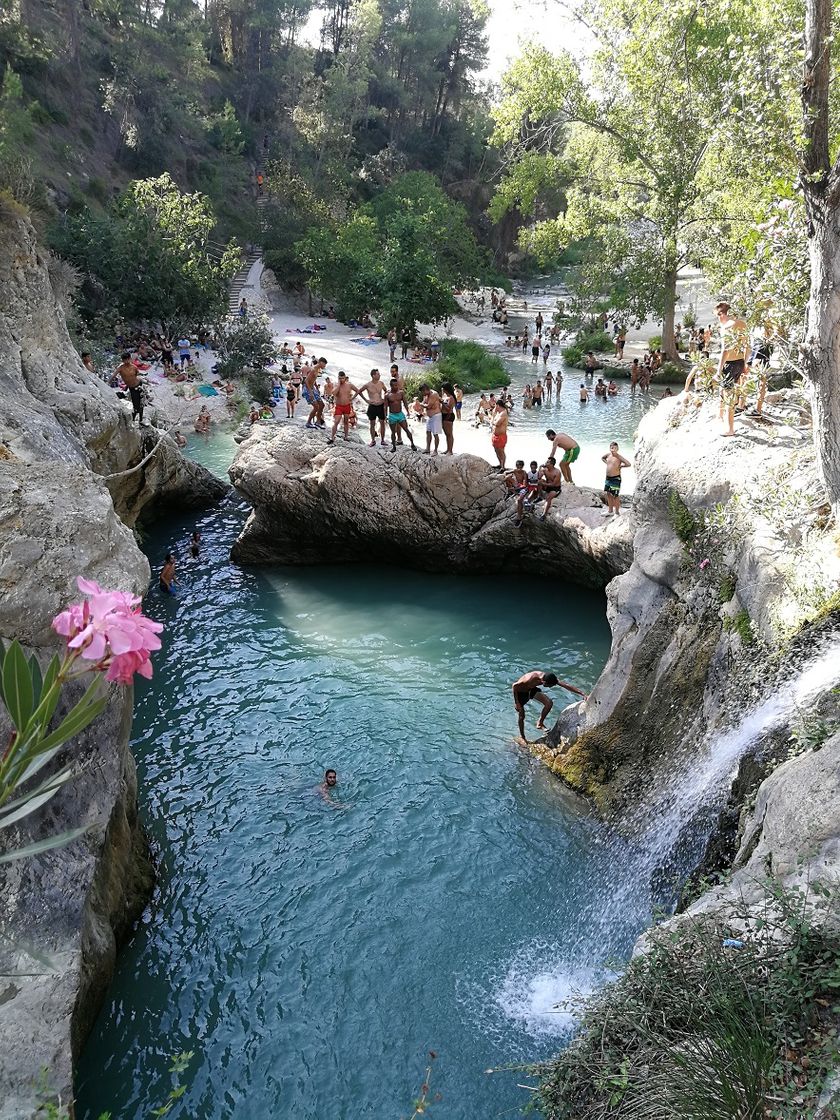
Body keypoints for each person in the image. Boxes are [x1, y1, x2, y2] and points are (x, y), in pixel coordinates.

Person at [511, 670, 588, 741]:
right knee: (522, 716)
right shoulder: (529, 679)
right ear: (543, 682)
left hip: (531, 690)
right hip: (521, 693)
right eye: (549, 685)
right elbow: (514, 686)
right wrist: (516, 703)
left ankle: (540, 723)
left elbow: (566, 685)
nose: (550, 687)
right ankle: (523, 737)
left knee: (549, 703)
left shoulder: (550, 678)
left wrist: (582, 693)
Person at [715, 300, 750, 436]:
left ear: (721, 314)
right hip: (740, 361)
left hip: (729, 364)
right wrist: (745, 363)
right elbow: (748, 346)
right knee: (726, 390)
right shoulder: (742, 323)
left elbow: (725, 349)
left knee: (728, 394)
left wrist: (719, 370)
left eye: (718, 316)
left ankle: (730, 429)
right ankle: (720, 415)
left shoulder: (727, 327)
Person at [327, 371, 360, 442]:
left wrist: (353, 397)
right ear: (338, 378)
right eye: (340, 378)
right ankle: (332, 437)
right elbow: (333, 393)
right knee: (336, 421)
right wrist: (339, 385)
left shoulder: (349, 385)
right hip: (339, 406)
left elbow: (358, 390)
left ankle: (346, 436)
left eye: (342, 378)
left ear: (345, 378)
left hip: (347, 406)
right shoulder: (336, 385)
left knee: (346, 421)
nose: (341, 380)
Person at [602, 441, 632, 516]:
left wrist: (621, 466)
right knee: (608, 493)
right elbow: (602, 458)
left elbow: (628, 464)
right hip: (608, 478)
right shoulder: (608, 455)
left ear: (617, 449)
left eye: (615, 448)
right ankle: (610, 511)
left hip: (615, 478)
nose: (613, 449)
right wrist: (607, 463)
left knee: (615, 495)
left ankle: (617, 512)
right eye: (612, 447)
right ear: (610, 448)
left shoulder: (619, 457)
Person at [385, 378, 416, 451]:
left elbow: (405, 402)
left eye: (397, 385)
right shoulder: (387, 395)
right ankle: (393, 446)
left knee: (406, 429)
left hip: (400, 414)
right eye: (394, 385)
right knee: (393, 432)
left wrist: (408, 412)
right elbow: (385, 406)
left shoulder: (401, 393)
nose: (396, 387)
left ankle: (412, 444)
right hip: (392, 415)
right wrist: (385, 416)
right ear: (391, 386)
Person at [361, 368, 388, 447]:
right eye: (378, 374)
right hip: (372, 405)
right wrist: (366, 400)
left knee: (382, 423)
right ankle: (373, 440)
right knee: (372, 424)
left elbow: (386, 391)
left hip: (380, 405)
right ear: (373, 375)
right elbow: (359, 391)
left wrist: (384, 399)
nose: (379, 375)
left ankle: (382, 440)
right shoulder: (368, 385)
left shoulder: (381, 383)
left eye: (379, 374)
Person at [116, 352, 144, 425]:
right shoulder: (121, 368)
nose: (127, 361)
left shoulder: (134, 367)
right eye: (125, 360)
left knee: (141, 403)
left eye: (128, 359)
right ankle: (133, 419)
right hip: (132, 388)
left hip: (139, 385)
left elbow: (136, 376)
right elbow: (113, 375)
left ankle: (141, 419)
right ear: (123, 360)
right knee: (135, 404)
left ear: (130, 359)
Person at [420, 383, 442, 455]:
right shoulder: (426, 395)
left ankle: (435, 450)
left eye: (422, 392)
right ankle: (428, 449)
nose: (422, 393)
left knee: (435, 434)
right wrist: (422, 406)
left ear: (426, 390)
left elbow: (428, 406)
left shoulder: (433, 394)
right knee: (428, 432)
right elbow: (424, 403)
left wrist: (420, 404)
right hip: (429, 416)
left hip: (436, 415)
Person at [506, 459, 529, 526]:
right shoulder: (514, 471)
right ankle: (511, 491)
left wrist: (517, 488)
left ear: (522, 466)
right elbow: (506, 473)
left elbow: (524, 485)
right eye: (518, 465)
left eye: (520, 466)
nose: (519, 467)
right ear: (516, 466)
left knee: (519, 500)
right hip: (517, 486)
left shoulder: (524, 472)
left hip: (523, 488)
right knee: (507, 478)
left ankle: (519, 518)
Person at [303, 364, 326, 429]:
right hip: (308, 389)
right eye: (324, 364)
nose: (324, 366)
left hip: (313, 389)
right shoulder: (313, 369)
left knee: (322, 405)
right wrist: (310, 392)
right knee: (316, 406)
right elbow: (306, 381)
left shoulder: (318, 370)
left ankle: (318, 422)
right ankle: (308, 422)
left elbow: (313, 379)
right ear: (321, 362)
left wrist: (316, 387)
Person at [490, 398, 509, 470]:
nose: (494, 407)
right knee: (496, 450)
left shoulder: (504, 413)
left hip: (501, 436)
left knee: (501, 451)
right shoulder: (498, 413)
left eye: (495, 405)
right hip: (495, 435)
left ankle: (503, 466)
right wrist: (493, 415)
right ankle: (500, 464)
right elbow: (493, 420)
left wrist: (492, 421)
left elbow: (497, 423)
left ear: (498, 405)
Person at [440, 382, 457, 455]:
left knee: (449, 434)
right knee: (446, 434)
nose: (442, 390)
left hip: (448, 415)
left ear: (446, 389)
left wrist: (442, 403)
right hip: (443, 415)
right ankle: (448, 449)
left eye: (443, 389)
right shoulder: (445, 397)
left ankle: (450, 450)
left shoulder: (451, 397)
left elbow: (448, 409)